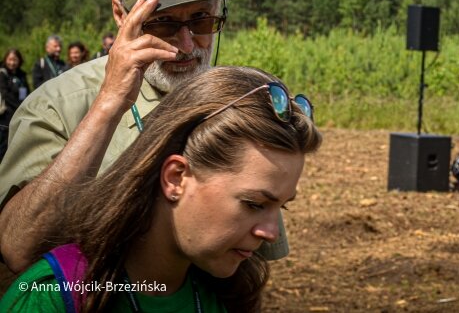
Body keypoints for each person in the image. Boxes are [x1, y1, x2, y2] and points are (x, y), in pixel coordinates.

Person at [0, 0, 289, 273]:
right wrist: (108, 106)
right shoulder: (59, 105)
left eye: (202, 20)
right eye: (163, 23)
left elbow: (256, 262)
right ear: (121, 16)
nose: (185, 46)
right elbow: (20, 249)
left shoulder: (233, 101)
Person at [0, 66, 321, 312]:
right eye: (253, 203)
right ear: (176, 178)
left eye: (281, 206)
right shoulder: (56, 295)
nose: (272, 233)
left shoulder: (228, 293)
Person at [0, 49, 30, 162]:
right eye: (10, 59)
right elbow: (5, 94)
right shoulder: (2, 74)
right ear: (5, 59)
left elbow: (27, 91)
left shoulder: (21, 75)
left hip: (21, 114)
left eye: (15, 60)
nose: (12, 63)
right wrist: (20, 106)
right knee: (3, 146)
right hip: (6, 116)